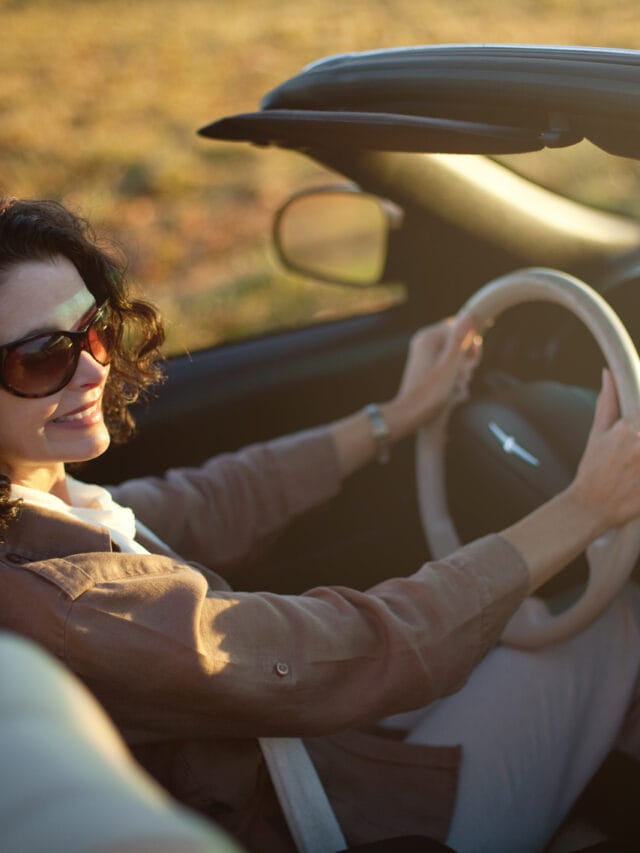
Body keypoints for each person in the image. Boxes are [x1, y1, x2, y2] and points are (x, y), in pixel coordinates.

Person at [1, 196, 640, 853]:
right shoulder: (73, 606)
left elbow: (209, 499)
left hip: (326, 755)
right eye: (43, 356)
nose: (91, 370)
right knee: (607, 620)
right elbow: (355, 649)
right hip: (342, 820)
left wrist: (394, 415)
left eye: (96, 329)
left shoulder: (38, 501)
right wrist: (586, 507)